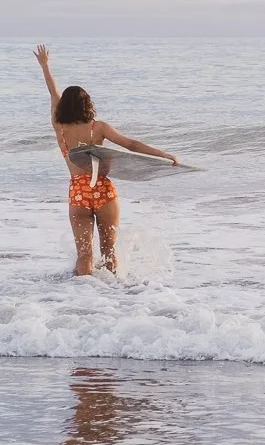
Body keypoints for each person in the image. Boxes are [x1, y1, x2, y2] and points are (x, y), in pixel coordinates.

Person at [36, 45, 179, 276]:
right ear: (87, 104)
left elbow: (54, 95)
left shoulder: (60, 128)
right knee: (109, 251)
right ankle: (112, 296)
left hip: (78, 193)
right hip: (102, 190)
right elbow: (131, 145)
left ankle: (82, 297)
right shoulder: (99, 127)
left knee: (84, 255)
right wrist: (164, 155)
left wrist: (45, 66)